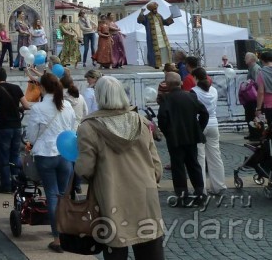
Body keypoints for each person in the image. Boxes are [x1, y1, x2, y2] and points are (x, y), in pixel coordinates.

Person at [76, 76, 165, 260]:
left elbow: (85, 169)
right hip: (144, 194)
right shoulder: (141, 122)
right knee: (149, 247)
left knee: (115, 246)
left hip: (111, 195)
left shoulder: (89, 127)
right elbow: (157, 165)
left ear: (99, 96)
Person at [25, 72, 77, 253]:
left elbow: (31, 135)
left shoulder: (38, 108)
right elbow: (72, 129)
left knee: (52, 195)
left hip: (45, 154)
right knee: (64, 196)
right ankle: (65, 233)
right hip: (65, 153)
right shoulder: (68, 105)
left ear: (42, 87)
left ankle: (57, 239)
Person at [158, 71, 208, 206]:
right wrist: (198, 128)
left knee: (178, 167)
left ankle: (182, 196)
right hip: (191, 136)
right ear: (180, 83)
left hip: (175, 139)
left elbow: (162, 119)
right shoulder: (191, 96)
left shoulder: (166, 99)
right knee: (194, 165)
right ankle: (200, 194)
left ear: (167, 84)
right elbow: (204, 113)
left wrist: (167, 132)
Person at [0, 67, 29, 193]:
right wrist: (17, 108)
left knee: (3, 157)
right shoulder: (16, 88)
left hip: (4, 127)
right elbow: (26, 105)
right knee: (14, 155)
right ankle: (16, 184)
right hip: (17, 127)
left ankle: (6, 185)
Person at [189, 67, 226, 194]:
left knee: (200, 157)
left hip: (199, 125)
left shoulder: (193, 91)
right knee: (215, 156)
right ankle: (219, 186)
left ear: (195, 77)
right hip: (213, 123)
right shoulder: (214, 90)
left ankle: (201, 188)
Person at [137, 2, 174, 68]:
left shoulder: (159, 16)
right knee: (154, 51)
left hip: (161, 36)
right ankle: (155, 64)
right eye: (154, 9)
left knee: (164, 49)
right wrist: (141, 12)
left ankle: (166, 64)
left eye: (156, 9)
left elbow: (165, 22)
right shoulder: (147, 17)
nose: (155, 10)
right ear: (151, 10)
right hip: (152, 37)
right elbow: (140, 20)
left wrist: (171, 17)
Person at [243, 52, 261, 141]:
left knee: (253, 115)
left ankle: (257, 134)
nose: (244, 59)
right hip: (251, 96)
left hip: (254, 97)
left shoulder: (255, 69)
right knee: (250, 115)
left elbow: (257, 83)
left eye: (246, 58)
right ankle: (253, 133)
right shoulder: (251, 68)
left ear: (251, 59)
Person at [254, 50, 272, 125]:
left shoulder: (262, 73)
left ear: (262, 61)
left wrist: (258, 108)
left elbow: (260, 92)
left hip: (269, 104)